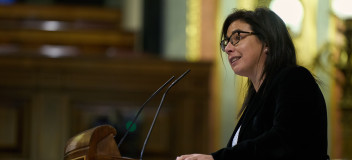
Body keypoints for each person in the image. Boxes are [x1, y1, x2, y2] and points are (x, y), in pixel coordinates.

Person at [176, 7, 329, 160]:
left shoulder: (295, 79)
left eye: (237, 37)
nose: (228, 48)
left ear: (267, 41)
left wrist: (216, 159)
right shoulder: (257, 99)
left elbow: (283, 141)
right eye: (226, 42)